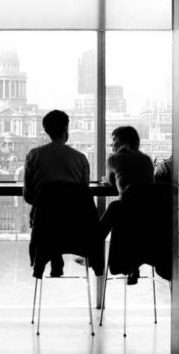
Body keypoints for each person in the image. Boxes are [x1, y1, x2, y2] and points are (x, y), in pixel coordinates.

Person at [23, 110, 93, 277]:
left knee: (50, 217)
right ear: (66, 129)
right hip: (75, 226)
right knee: (60, 217)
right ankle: (57, 260)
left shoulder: (34, 155)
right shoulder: (80, 158)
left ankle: (54, 261)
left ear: (46, 130)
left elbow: (28, 196)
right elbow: (84, 195)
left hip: (45, 225)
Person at [101, 125, 155, 284]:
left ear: (120, 143)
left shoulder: (113, 159)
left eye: (114, 141)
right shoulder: (146, 160)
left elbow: (112, 183)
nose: (113, 145)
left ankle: (93, 249)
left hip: (125, 213)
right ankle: (132, 264)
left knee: (115, 208)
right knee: (119, 210)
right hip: (148, 216)